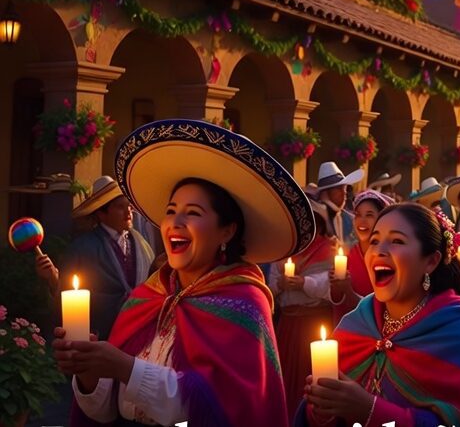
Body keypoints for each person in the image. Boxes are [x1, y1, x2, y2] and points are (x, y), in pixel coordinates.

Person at [55, 119, 312, 426]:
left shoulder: (245, 304)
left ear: (227, 231)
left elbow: (221, 408)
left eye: (193, 213)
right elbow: (105, 411)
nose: (175, 222)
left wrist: (125, 367)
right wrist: (89, 371)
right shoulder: (146, 298)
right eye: (171, 210)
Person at [296, 204, 460, 427]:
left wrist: (369, 410)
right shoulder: (356, 324)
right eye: (374, 241)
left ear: (431, 261)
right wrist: (322, 409)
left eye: (397, 241)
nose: (379, 251)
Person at [36, 176, 155, 340]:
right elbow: (67, 294)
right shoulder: (81, 248)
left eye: (129, 206)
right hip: (101, 335)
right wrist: (53, 278)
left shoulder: (143, 244)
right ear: (101, 213)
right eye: (120, 207)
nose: (128, 212)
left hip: (139, 331)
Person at [269, 190, 339, 419]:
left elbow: (331, 288)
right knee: (286, 377)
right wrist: (280, 285)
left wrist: (303, 283)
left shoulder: (328, 250)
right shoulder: (286, 250)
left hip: (313, 324)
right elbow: (271, 289)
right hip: (287, 325)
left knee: (309, 379)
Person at [330, 188, 394, 322]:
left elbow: (382, 308)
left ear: (381, 219)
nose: (362, 221)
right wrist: (336, 286)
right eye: (358, 215)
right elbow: (338, 303)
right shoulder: (347, 255)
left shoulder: (389, 257)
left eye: (369, 215)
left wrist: (348, 290)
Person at [312, 162, 364, 248]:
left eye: (345, 188)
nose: (344, 192)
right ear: (325, 192)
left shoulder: (351, 220)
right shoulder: (315, 221)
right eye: (339, 188)